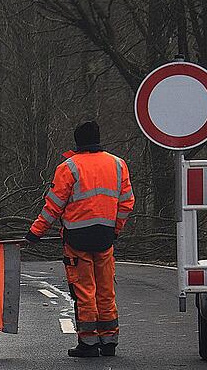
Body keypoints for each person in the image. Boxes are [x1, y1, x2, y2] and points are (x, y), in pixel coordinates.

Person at [25, 121, 134, 358]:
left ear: (77, 142)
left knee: (85, 292)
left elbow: (53, 207)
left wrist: (35, 233)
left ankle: (88, 342)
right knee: (106, 291)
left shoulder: (69, 167)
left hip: (77, 240)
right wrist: (115, 230)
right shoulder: (118, 164)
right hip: (105, 237)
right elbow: (126, 203)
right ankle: (109, 341)